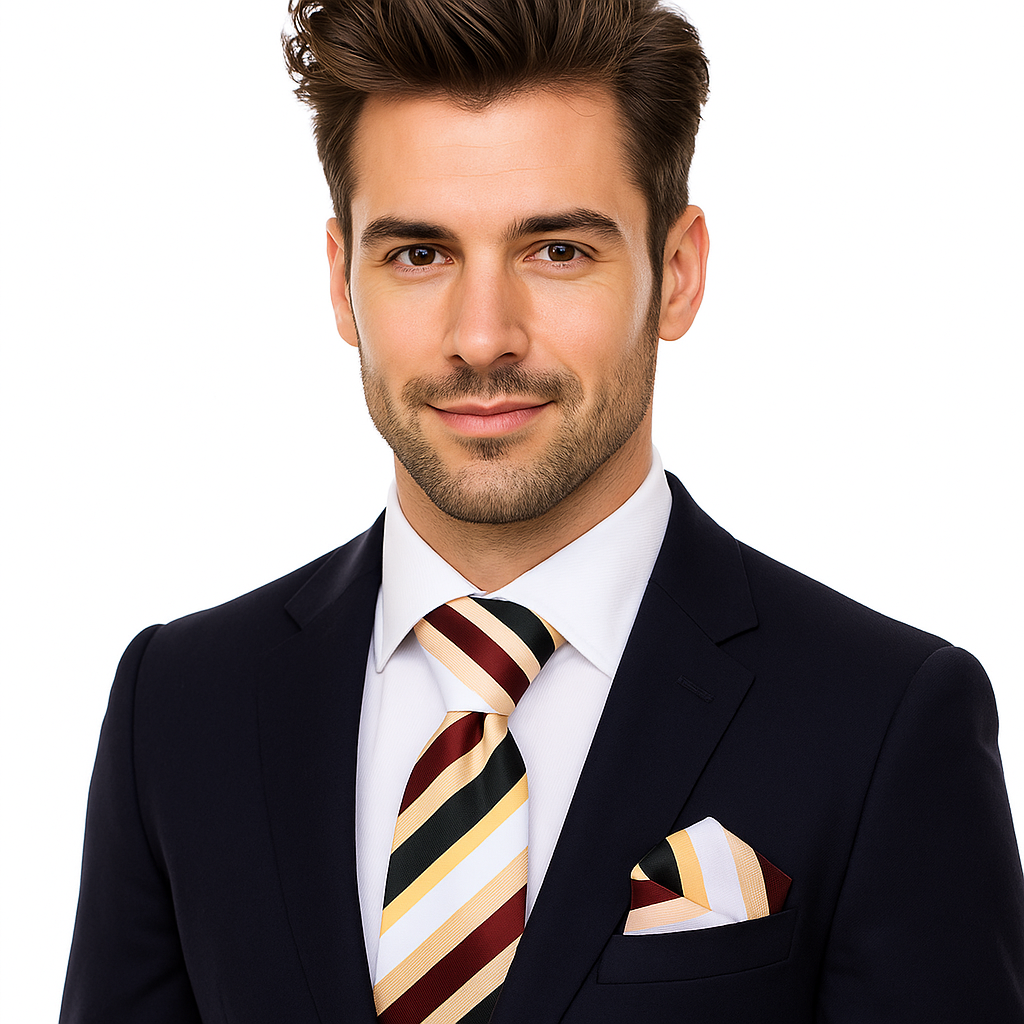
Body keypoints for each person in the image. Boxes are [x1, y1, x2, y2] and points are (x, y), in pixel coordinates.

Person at [60, 1, 1024, 1021]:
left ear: (678, 273)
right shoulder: (179, 707)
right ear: (342, 283)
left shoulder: (881, 719)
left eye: (557, 250)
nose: (482, 337)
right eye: (419, 254)